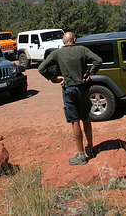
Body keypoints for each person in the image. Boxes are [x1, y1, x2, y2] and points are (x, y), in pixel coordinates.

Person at [38, 32, 102, 165]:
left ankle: (81, 155)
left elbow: (41, 68)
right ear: (74, 40)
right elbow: (98, 61)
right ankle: (90, 148)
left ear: (64, 41)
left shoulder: (58, 53)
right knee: (86, 119)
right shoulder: (82, 50)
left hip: (68, 90)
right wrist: (90, 73)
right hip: (83, 88)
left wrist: (54, 78)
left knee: (75, 122)